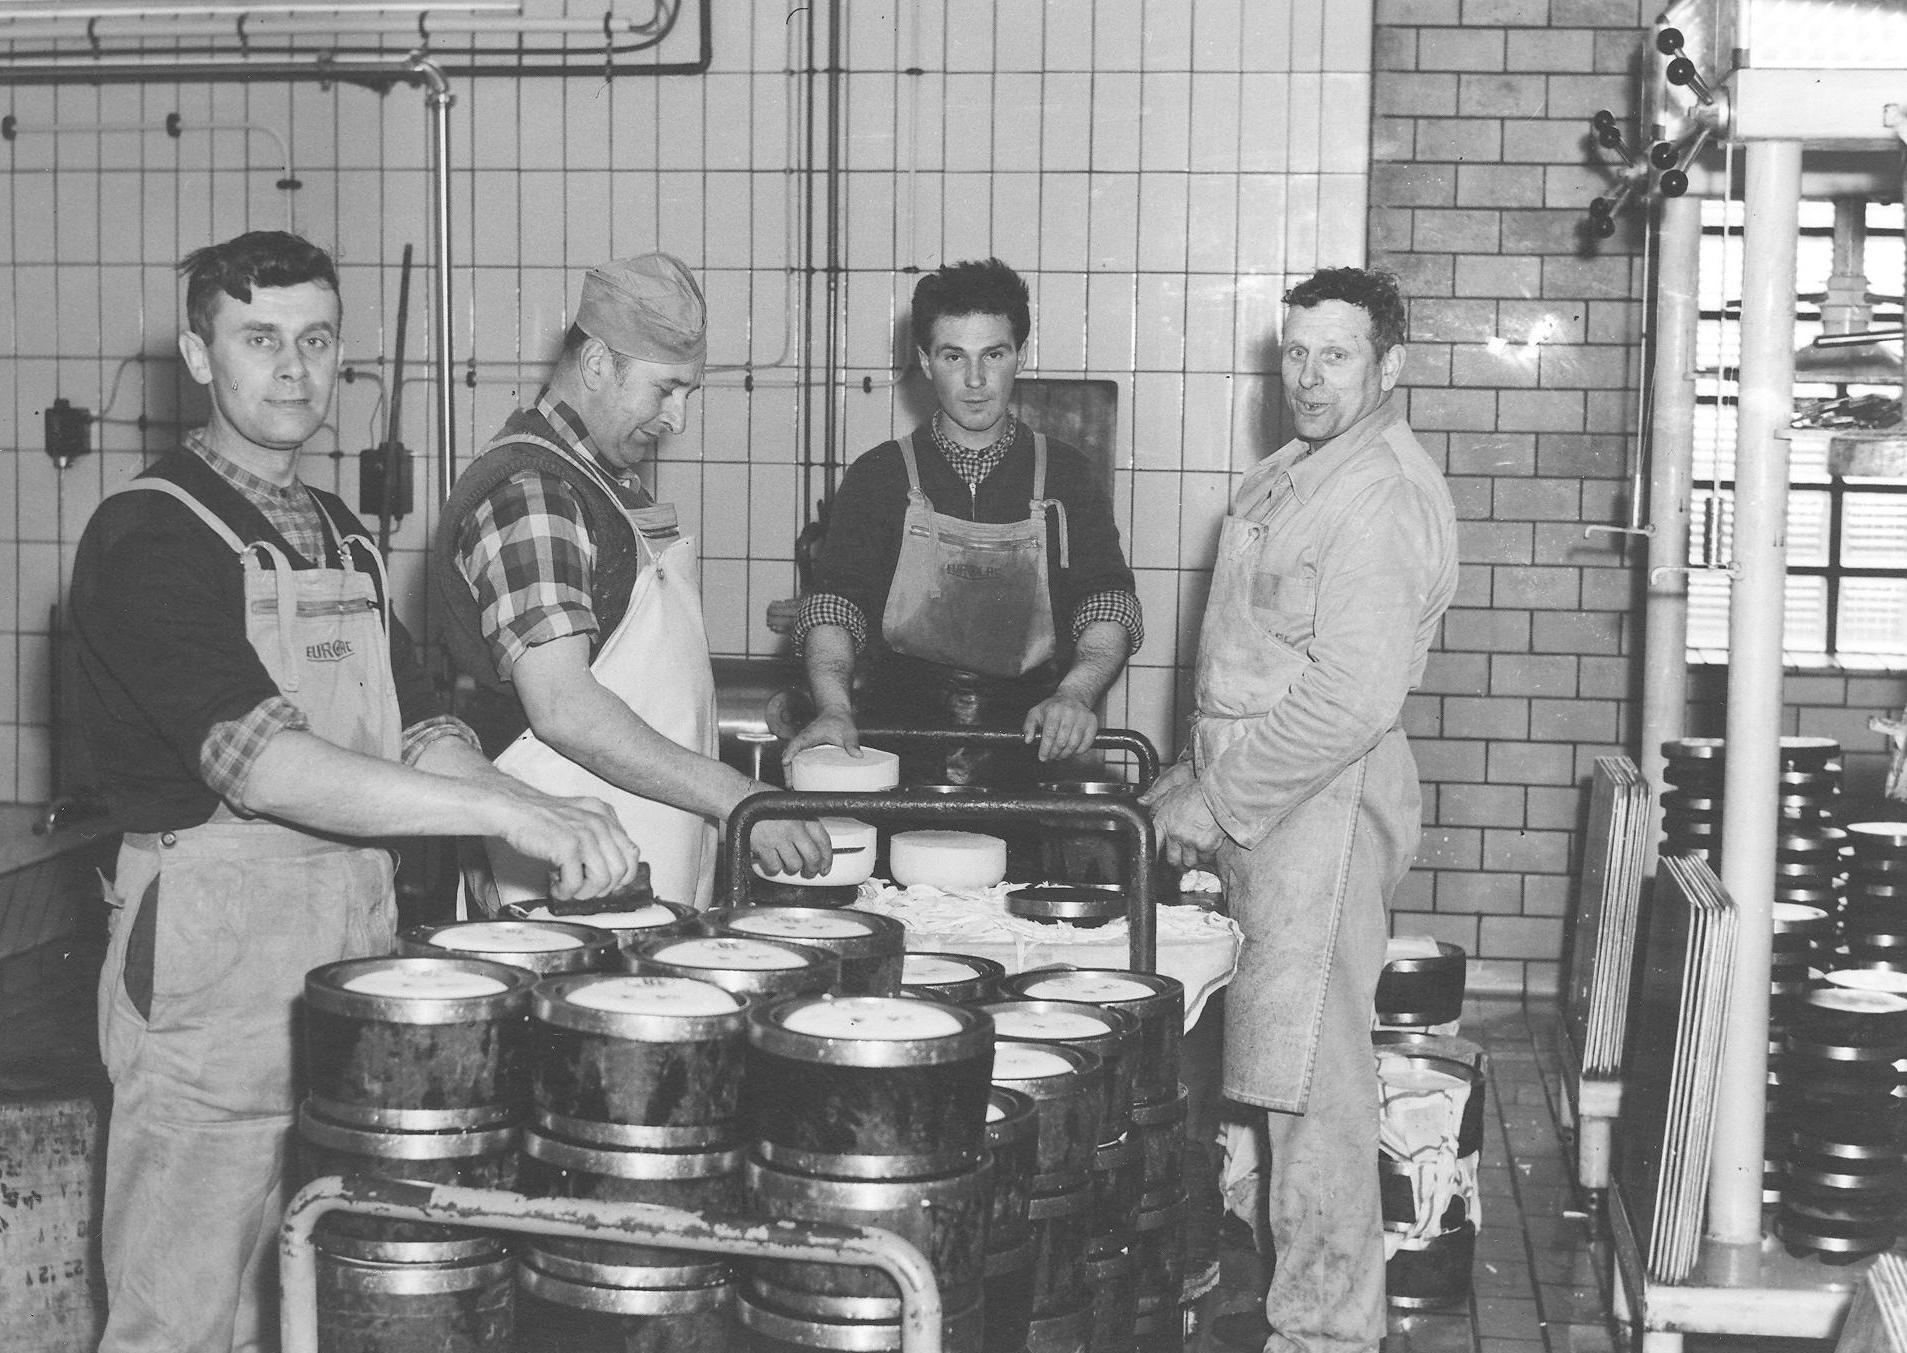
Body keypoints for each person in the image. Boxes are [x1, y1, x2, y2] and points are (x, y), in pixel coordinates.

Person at [69, 230, 645, 1353]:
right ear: (198, 355)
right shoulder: (148, 534)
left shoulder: (340, 536)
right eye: (259, 340)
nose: (292, 370)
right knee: (181, 1317)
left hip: (349, 972)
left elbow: (420, 728)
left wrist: (534, 808)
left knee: (310, 1306)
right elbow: (264, 763)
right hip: (211, 980)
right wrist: (507, 811)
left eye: (316, 341)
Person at [1142, 267, 1458, 1353]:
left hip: (1314, 812)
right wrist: (1190, 773)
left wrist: (1216, 795)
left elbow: (1347, 700)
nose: (1307, 378)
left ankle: (1327, 1333)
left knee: (1315, 1088)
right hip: (1269, 807)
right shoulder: (1299, 469)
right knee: (1271, 1073)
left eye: (1335, 355)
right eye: (1294, 353)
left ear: (1389, 366)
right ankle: (1277, 1281)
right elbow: (1252, 661)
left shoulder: (1379, 492)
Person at [433, 252, 830, 911]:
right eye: (664, 389)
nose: (676, 419)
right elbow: (564, 709)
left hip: (635, 860)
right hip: (566, 880)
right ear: (595, 364)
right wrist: (739, 797)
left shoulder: (599, 484)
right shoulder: (532, 493)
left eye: (687, 394)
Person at [784, 257, 1141, 785]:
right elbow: (835, 607)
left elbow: (1107, 602)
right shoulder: (879, 475)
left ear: (1020, 355)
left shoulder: (1066, 475)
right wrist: (834, 707)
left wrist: (1075, 693)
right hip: (894, 750)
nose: (976, 381)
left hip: (1029, 751)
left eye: (993, 354)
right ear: (926, 362)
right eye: (954, 356)